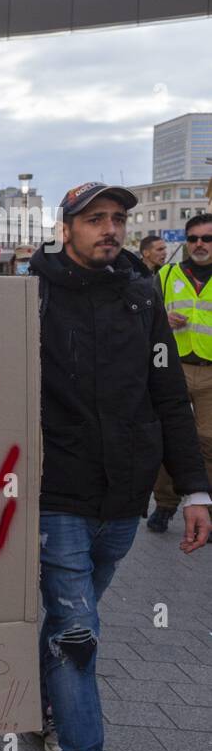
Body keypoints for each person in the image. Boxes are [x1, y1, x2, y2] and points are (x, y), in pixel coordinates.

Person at [0, 182, 210, 751]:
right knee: (77, 628)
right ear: (65, 227)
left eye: (118, 218)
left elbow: (170, 399)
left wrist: (195, 491)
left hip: (124, 495)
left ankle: (45, 698)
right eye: (95, 219)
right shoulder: (27, 294)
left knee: (74, 618)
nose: (110, 229)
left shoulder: (141, 296)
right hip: (56, 492)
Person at [149, 213, 212, 535]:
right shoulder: (168, 273)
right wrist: (162, 316)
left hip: (211, 372)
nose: (200, 244)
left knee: (207, 441)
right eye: (193, 238)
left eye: (207, 238)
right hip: (171, 368)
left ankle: (203, 507)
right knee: (168, 438)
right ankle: (164, 504)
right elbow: (144, 311)